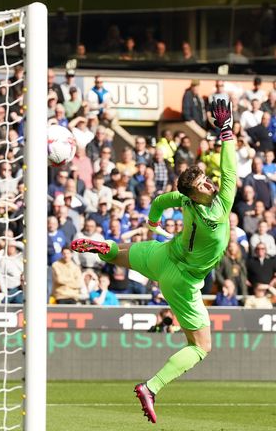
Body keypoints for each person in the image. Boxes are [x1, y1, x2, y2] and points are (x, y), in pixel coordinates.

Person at [70, 99, 238, 424]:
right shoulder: (219, 209)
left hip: (164, 254)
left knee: (120, 255)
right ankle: (151, 387)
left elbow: (161, 200)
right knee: (201, 347)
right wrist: (226, 130)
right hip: (182, 280)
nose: (209, 183)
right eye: (203, 184)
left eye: (206, 179)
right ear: (196, 194)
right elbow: (230, 169)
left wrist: (152, 221)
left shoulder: (185, 200)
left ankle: (102, 247)